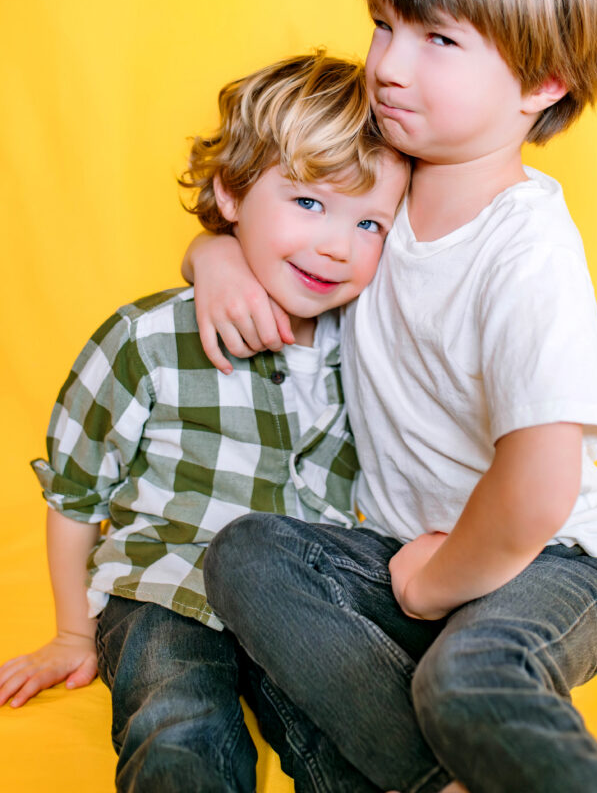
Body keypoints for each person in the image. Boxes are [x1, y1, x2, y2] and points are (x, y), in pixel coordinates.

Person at [189, 0, 597, 792]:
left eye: (438, 39)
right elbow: (278, 212)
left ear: (542, 83)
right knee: (245, 560)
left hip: (538, 562)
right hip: (399, 555)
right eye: (386, 24)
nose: (389, 64)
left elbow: (541, 483)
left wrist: (434, 585)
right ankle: (432, 780)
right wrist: (217, 255)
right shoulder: (380, 179)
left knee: (466, 680)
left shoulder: (526, 247)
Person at [0, 51, 412, 793]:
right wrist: (72, 631)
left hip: (299, 597)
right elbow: (74, 495)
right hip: (164, 585)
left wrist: (214, 252)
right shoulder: (149, 338)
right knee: (177, 725)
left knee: (356, 744)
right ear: (228, 191)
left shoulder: (374, 344)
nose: (335, 245)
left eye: (370, 222)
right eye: (308, 203)